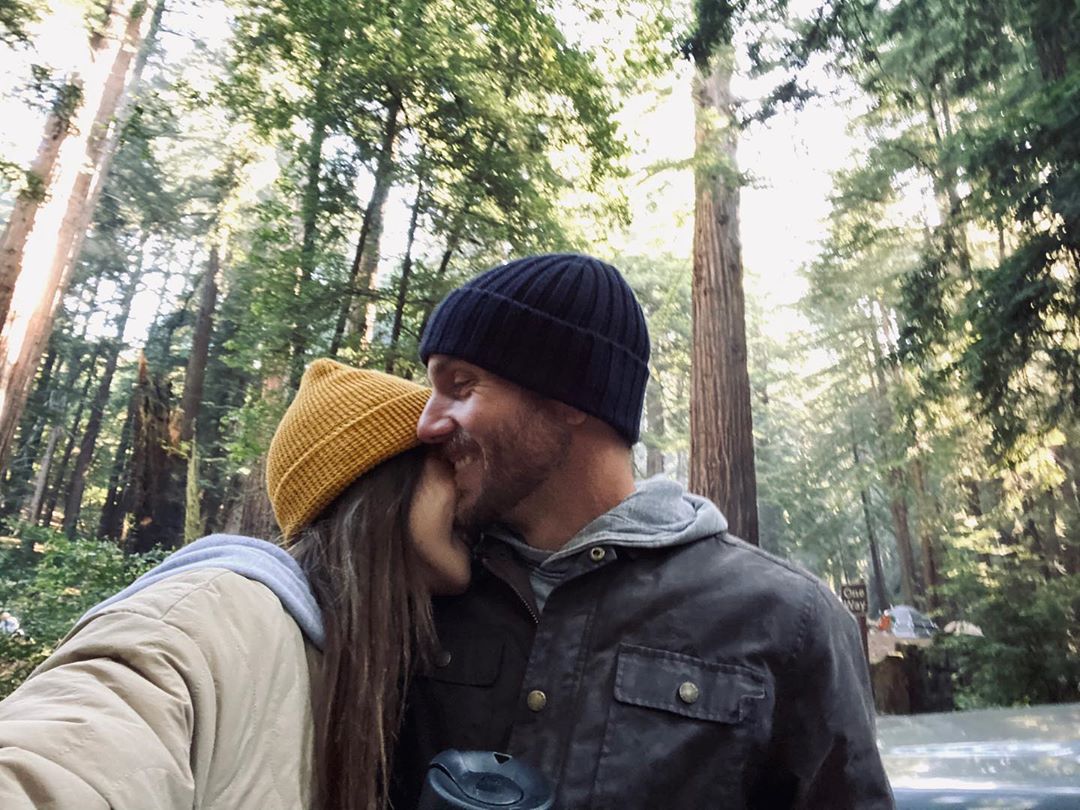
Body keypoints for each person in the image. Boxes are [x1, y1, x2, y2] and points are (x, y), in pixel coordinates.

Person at [391, 253, 894, 809]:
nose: (426, 423)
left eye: (460, 387)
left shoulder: (787, 619)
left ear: (568, 397)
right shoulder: (421, 591)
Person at [0, 360, 471, 810]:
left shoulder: (361, 659)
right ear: (380, 486)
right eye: (449, 463)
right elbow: (62, 759)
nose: (469, 487)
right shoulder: (207, 619)